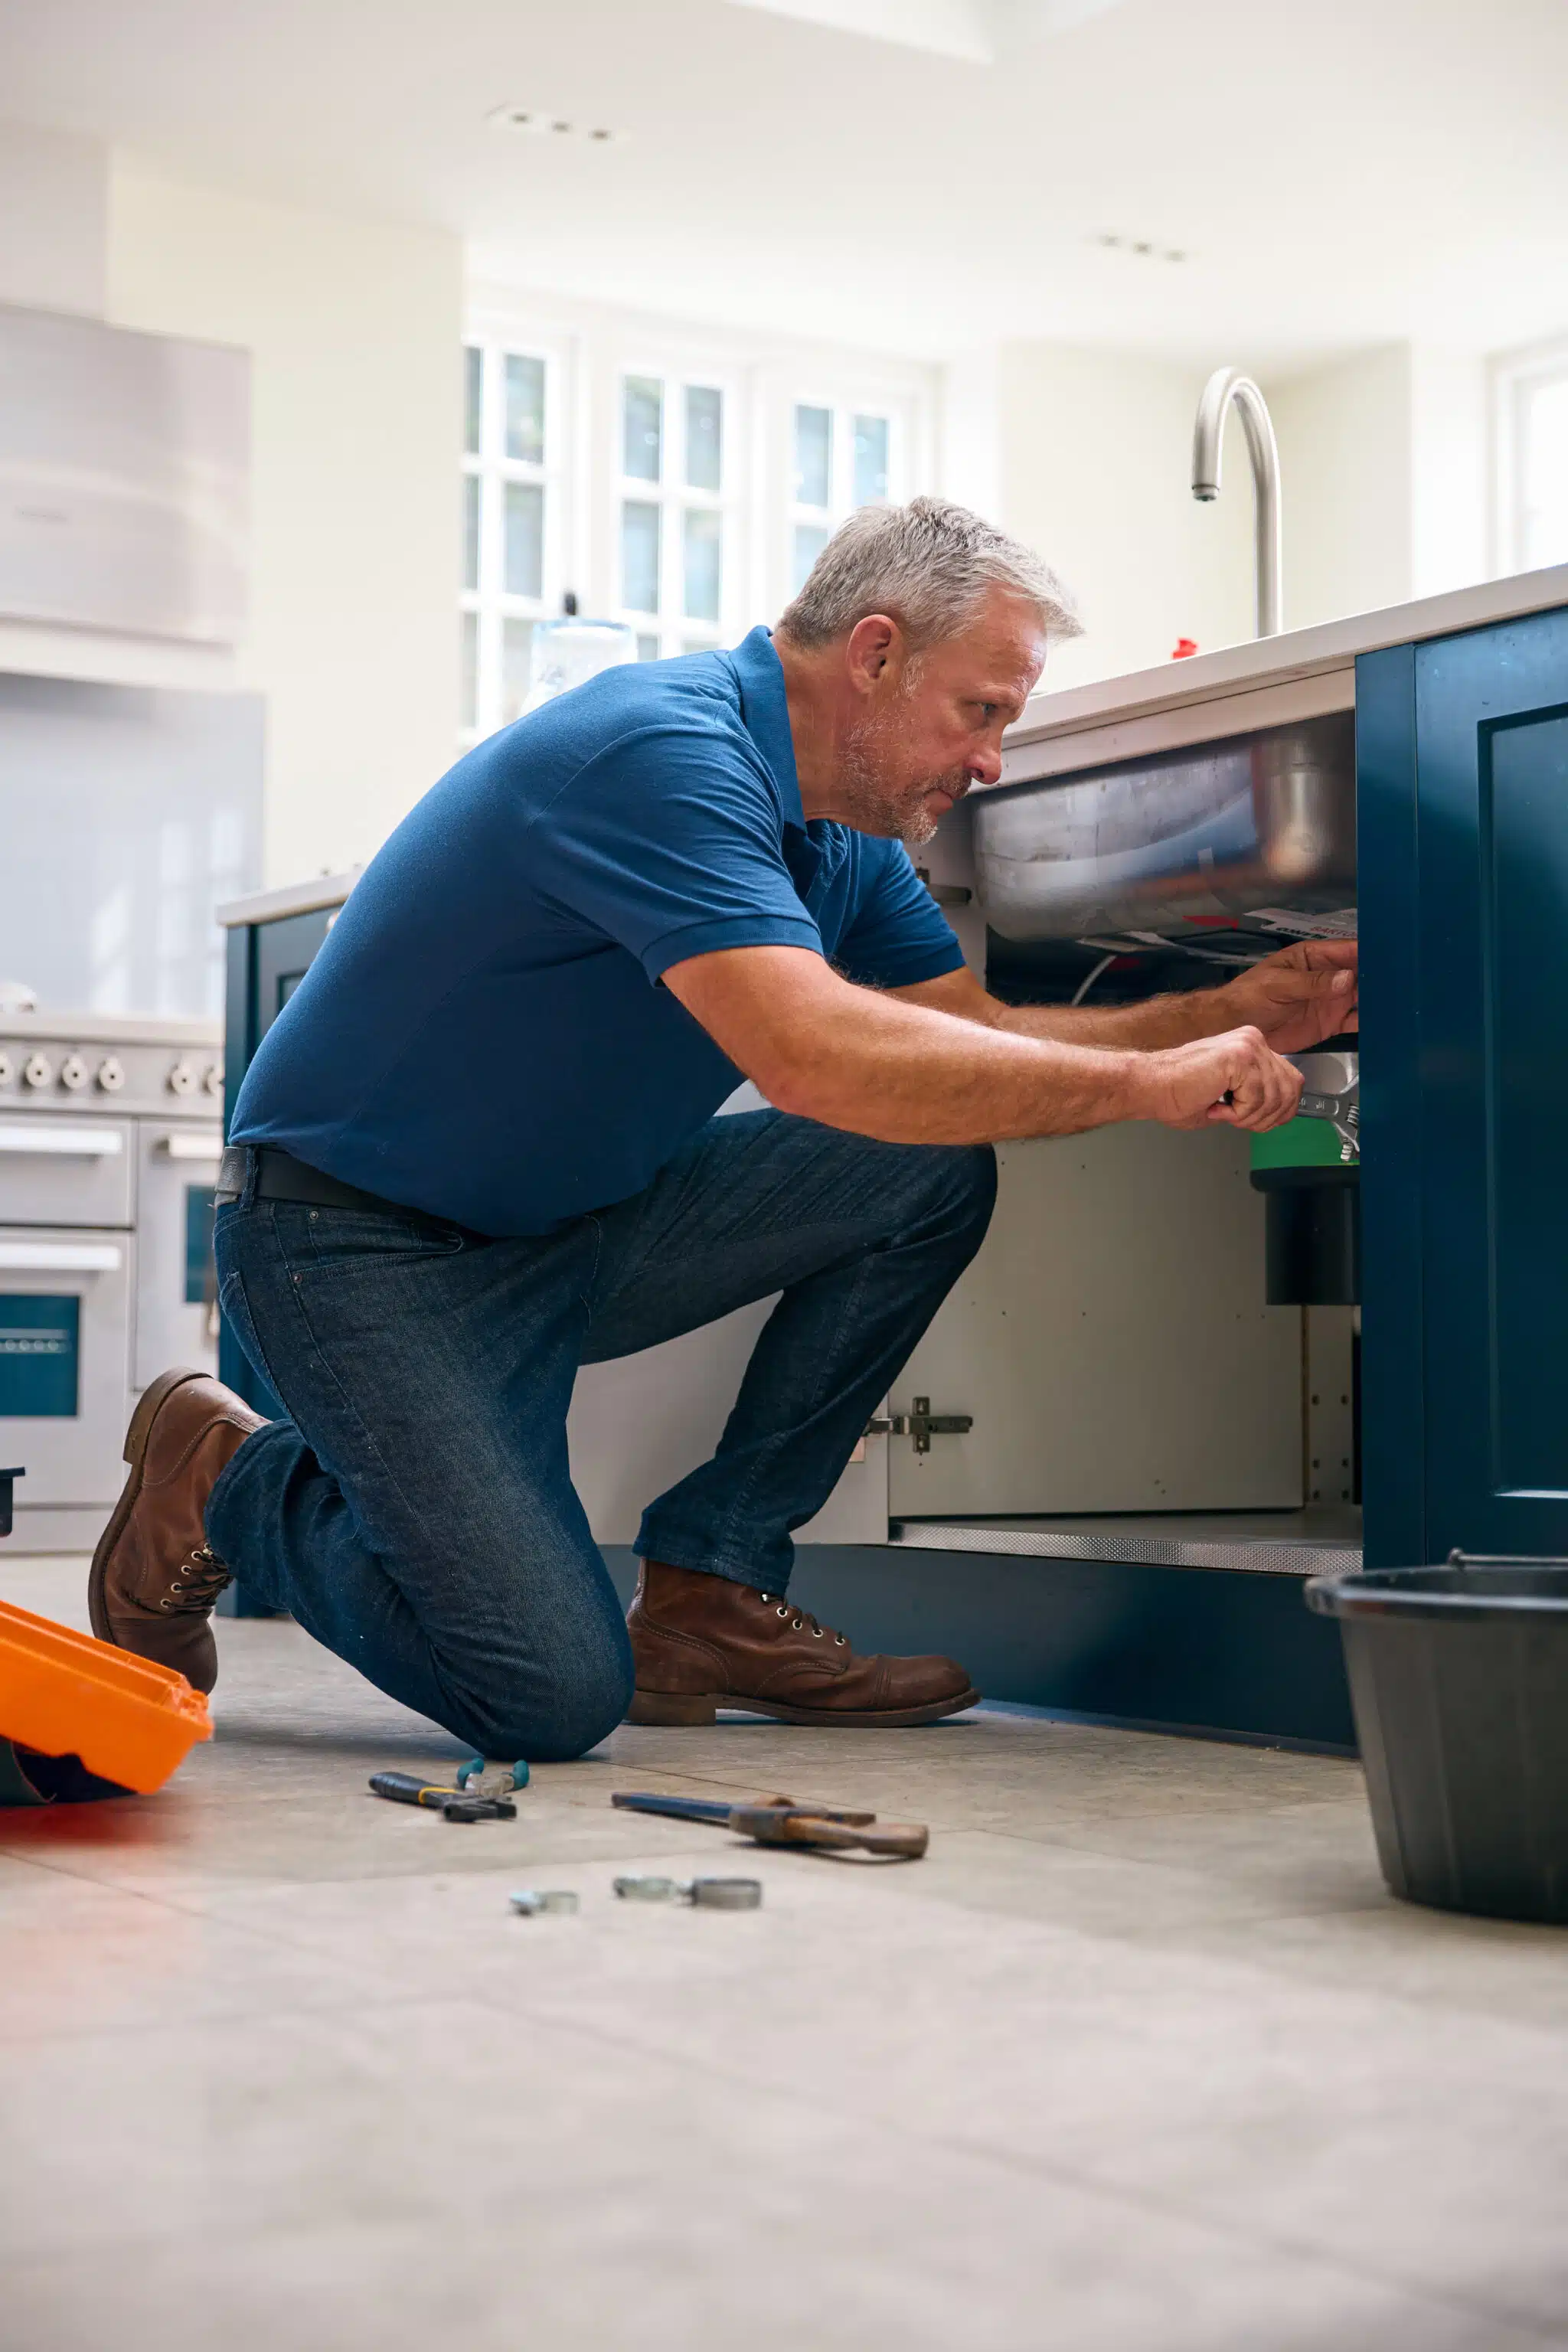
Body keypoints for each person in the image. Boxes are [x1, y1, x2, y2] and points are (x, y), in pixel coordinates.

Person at [89, 497, 1356, 1759]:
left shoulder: (839, 835)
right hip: (351, 1249)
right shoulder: (661, 755)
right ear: (874, 654)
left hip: (560, 1235)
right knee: (548, 1698)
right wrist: (1146, 1087)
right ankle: (222, 1470)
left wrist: (1221, 1013)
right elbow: (811, 1058)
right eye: (982, 711)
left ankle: (710, 1587)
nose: (990, 766)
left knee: (920, 1169)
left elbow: (971, 1030)